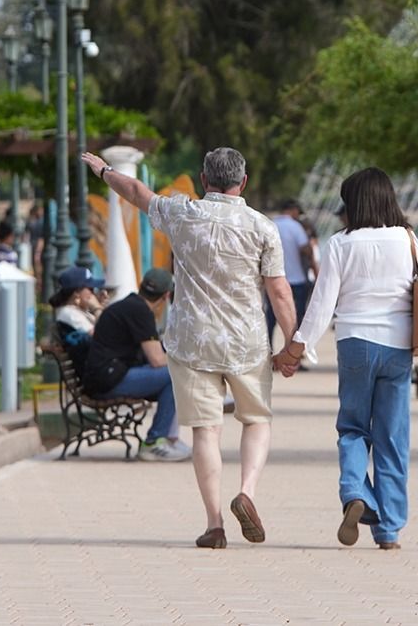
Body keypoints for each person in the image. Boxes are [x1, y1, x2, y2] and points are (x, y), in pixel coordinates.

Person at [80, 148, 297, 550]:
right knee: (256, 420)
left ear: (203, 179)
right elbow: (279, 291)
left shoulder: (183, 212)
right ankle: (247, 490)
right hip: (245, 341)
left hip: (192, 341)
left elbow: (135, 190)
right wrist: (293, 343)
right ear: (243, 182)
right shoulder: (262, 226)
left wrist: (105, 171)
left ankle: (214, 524)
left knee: (205, 431)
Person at [276, 167, 418, 551]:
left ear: (354, 204)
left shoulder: (340, 243)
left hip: (355, 342)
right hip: (397, 347)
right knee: (392, 437)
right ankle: (388, 530)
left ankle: (356, 492)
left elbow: (323, 302)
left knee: (354, 428)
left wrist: (296, 349)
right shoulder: (406, 239)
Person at [83, 269, 190, 462]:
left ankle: (168, 439)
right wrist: (188, 358)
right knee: (176, 374)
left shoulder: (129, 305)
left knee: (173, 375)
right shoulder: (141, 311)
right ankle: (154, 441)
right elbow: (156, 359)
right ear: (166, 295)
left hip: (103, 376)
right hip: (108, 381)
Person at [266, 198, 313, 349]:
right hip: (296, 279)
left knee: (270, 320)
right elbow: (306, 250)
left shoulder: (270, 225)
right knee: (296, 320)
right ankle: (293, 354)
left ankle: (269, 352)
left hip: (273, 279)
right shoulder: (296, 227)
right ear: (293, 210)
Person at [49, 267, 105, 335]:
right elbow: (100, 336)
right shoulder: (69, 313)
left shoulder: (81, 311)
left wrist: (102, 307)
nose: (93, 293)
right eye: (91, 289)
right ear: (77, 292)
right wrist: (97, 308)